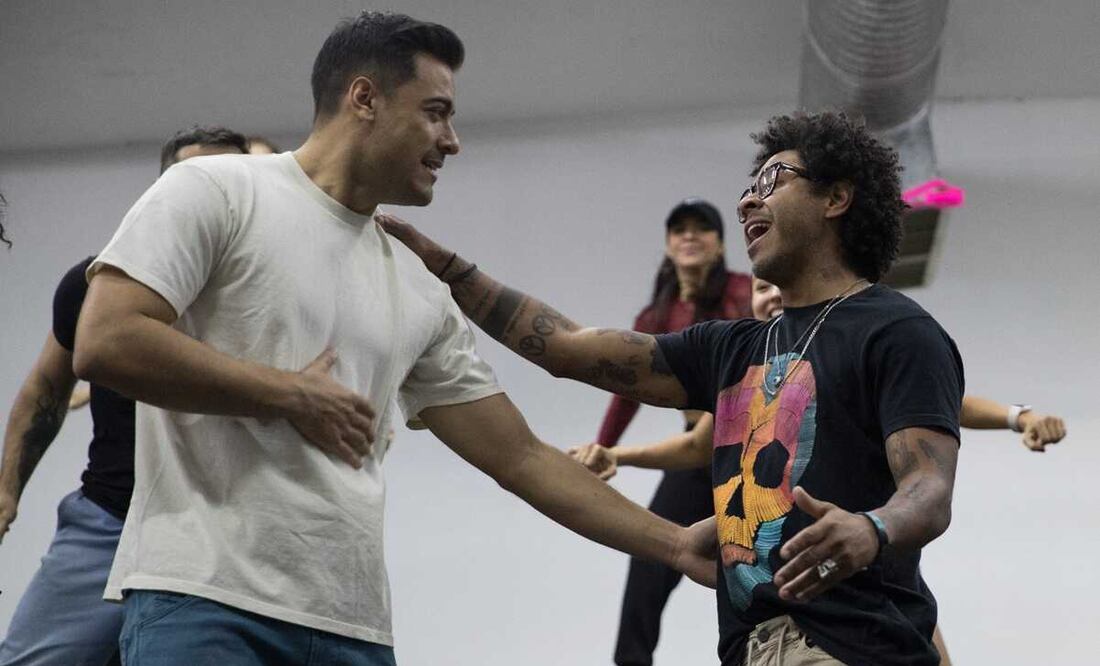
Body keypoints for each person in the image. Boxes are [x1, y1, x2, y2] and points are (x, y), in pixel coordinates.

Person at [71, 12, 714, 666]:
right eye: (436, 113)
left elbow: (520, 457)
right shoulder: (214, 191)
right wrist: (289, 393)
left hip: (352, 627)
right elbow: (107, 338)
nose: (452, 141)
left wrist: (675, 544)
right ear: (364, 98)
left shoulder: (417, 285)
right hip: (205, 602)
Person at [380, 110, 966, 665]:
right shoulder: (731, 348)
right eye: (749, 186)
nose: (747, 200)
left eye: (773, 180)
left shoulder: (897, 331)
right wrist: (445, 268)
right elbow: (566, 347)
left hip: (856, 647)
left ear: (836, 198)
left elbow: (929, 488)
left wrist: (873, 527)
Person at [571, 275, 1067, 666]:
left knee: (907, 619)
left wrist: (1018, 416)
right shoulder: (748, 376)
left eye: (777, 287)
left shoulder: (847, 350)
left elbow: (943, 403)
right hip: (783, 582)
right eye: (761, 290)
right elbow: (695, 445)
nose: (771, 296)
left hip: (863, 559)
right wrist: (618, 455)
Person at [0, 126, 249, 666]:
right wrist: (7, 492)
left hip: (226, 532)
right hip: (110, 519)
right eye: (196, 181)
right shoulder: (99, 285)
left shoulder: (271, 296)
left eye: (231, 181)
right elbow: (46, 388)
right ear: (162, 193)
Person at [588, 198, 750, 666]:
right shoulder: (658, 315)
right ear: (667, 244)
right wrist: (601, 448)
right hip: (696, 455)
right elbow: (625, 389)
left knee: (748, 561)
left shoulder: (741, 292)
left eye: (702, 228)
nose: (690, 236)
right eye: (680, 230)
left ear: (720, 244)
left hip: (747, 447)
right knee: (650, 556)